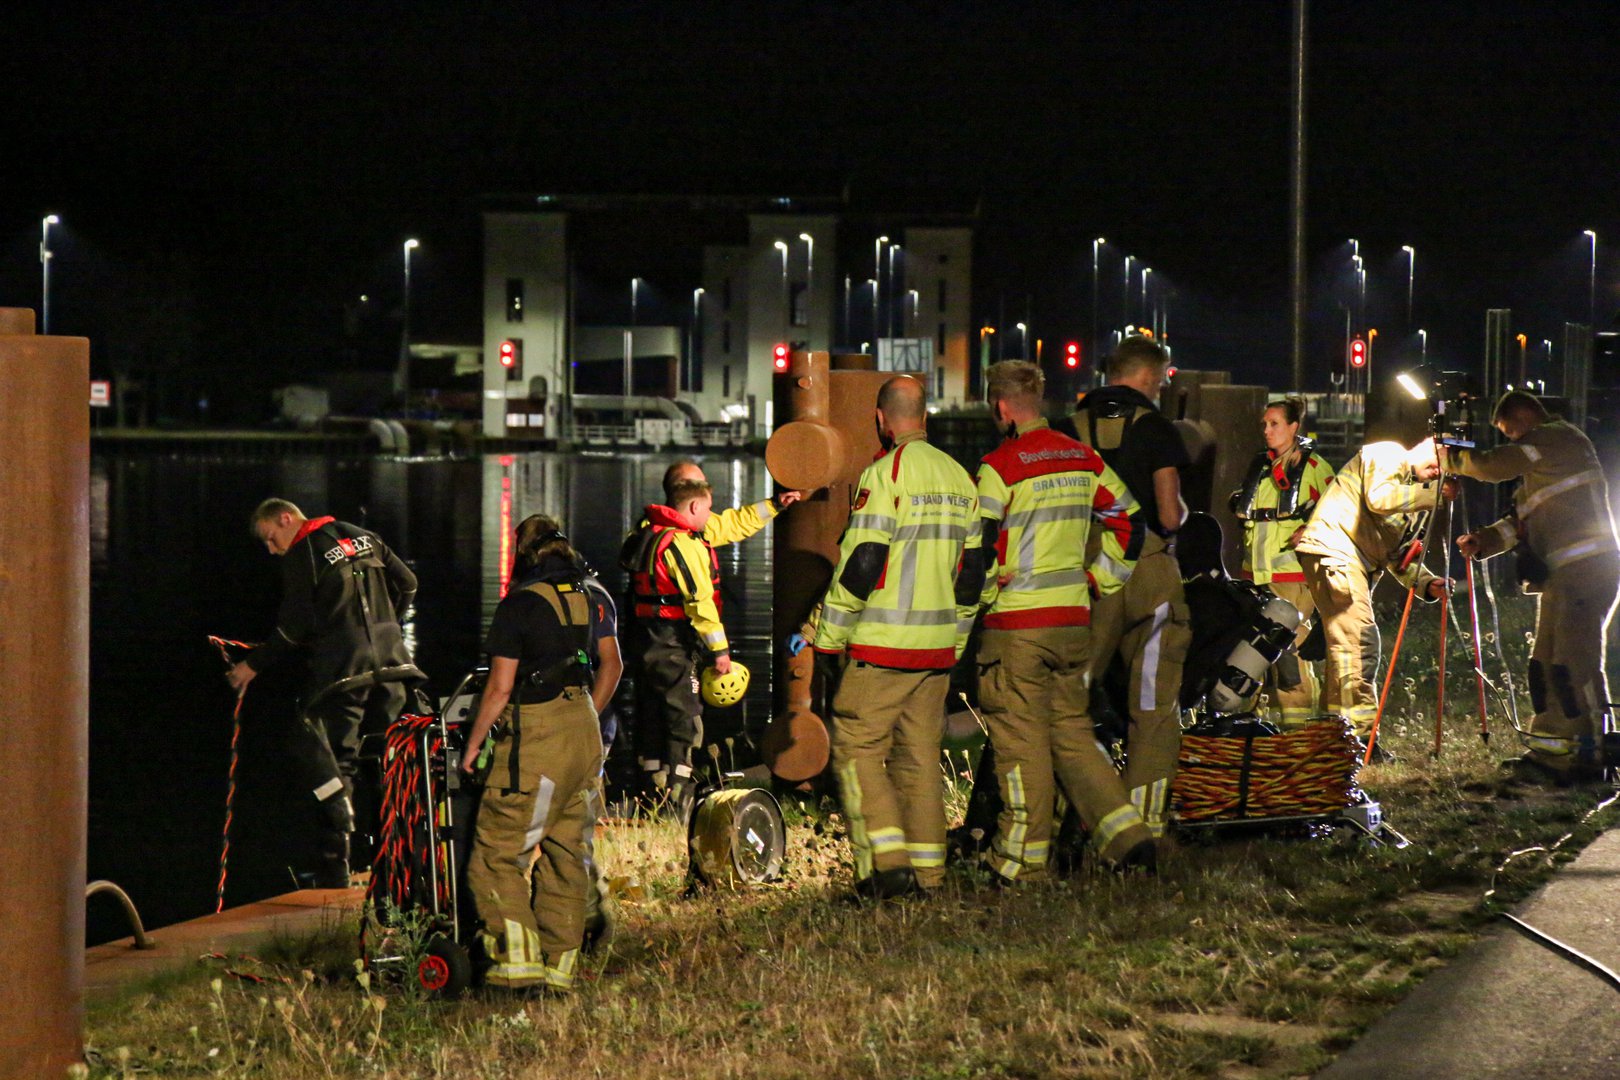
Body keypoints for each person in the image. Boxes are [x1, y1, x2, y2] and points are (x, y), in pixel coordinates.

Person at [972, 361, 1157, 881]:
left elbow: (978, 549)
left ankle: (1019, 864)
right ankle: (1127, 837)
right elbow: (1129, 520)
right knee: (1073, 733)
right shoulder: (1083, 458)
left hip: (1017, 630)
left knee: (1021, 741)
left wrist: (982, 599)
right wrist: (1099, 581)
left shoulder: (999, 466)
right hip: (1073, 624)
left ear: (1002, 408)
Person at [812, 375, 982, 899]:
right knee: (918, 758)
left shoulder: (885, 475)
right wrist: (955, 642)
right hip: (935, 650)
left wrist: (828, 637)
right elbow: (973, 575)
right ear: (924, 415)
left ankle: (886, 867)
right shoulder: (960, 479)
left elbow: (863, 562)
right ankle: (929, 875)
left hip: (883, 645)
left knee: (857, 749)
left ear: (880, 419)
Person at [228, 498, 417, 888]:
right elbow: (409, 584)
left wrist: (252, 665)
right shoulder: (365, 536)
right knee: (387, 756)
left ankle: (337, 863)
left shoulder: (304, 553)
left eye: (271, 538)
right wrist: (388, 624)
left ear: (286, 519)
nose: (272, 549)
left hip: (344, 671)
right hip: (395, 666)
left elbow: (292, 628)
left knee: (324, 751)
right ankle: (398, 857)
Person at [1056, 336, 1191, 841]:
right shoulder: (1156, 428)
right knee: (1153, 706)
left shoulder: (1068, 428)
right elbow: (1168, 513)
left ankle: (1071, 819)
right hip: (1147, 569)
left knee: (1069, 700)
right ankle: (1145, 828)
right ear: (1151, 377)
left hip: (1085, 572)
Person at [1447, 390, 1620, 782]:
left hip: (1589, 570)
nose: (1512, 440)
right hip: (1561, 576)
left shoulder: (1559, 437)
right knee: (1545, 664)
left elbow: (1494, 465)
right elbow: (1518, 523)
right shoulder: (1538, 468)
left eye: (1511, 431)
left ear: (1526, 418)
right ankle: (1550, 752)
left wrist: (1451, 456)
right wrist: (1484, 541)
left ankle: (1589, 756)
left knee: (1575, 662)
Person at [459, 517, 602, 991]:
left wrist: (474, 744)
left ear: (523, 554)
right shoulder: (588, 595)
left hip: (539, 739)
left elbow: (499, 688)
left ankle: (516, 961)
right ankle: (561, 967)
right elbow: (609, 661)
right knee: (568, 851)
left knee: (499, 852)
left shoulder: (518, 604)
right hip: (586, 728)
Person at [1294, 438, 1448, 744]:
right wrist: (1433, 494)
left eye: (1443, 472)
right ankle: (1359, 740)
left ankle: (1336, 738)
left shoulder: (1413, 497)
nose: (1437, 473)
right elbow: (1380, 498)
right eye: (1438, 464)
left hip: (1341, 559)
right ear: (1429, 447)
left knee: (1345, 652)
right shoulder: (1389, 454)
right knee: (1359, 645)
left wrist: (1427, 583)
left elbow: (1400, 555)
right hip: (1335, 552)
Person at [1229, 398, 1336, 728]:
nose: (1266, 430)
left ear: (1294, 426)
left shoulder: (1315, 468)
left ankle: (1298, 735)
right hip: (1254, 578)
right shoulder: (1259, 468)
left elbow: (1339, 511)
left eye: (1274, 423)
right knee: (1253, 658)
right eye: (1264, 424)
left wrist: (1310, 528)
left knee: (1289, 662)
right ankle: (1263, 734)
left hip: (1291, 577)